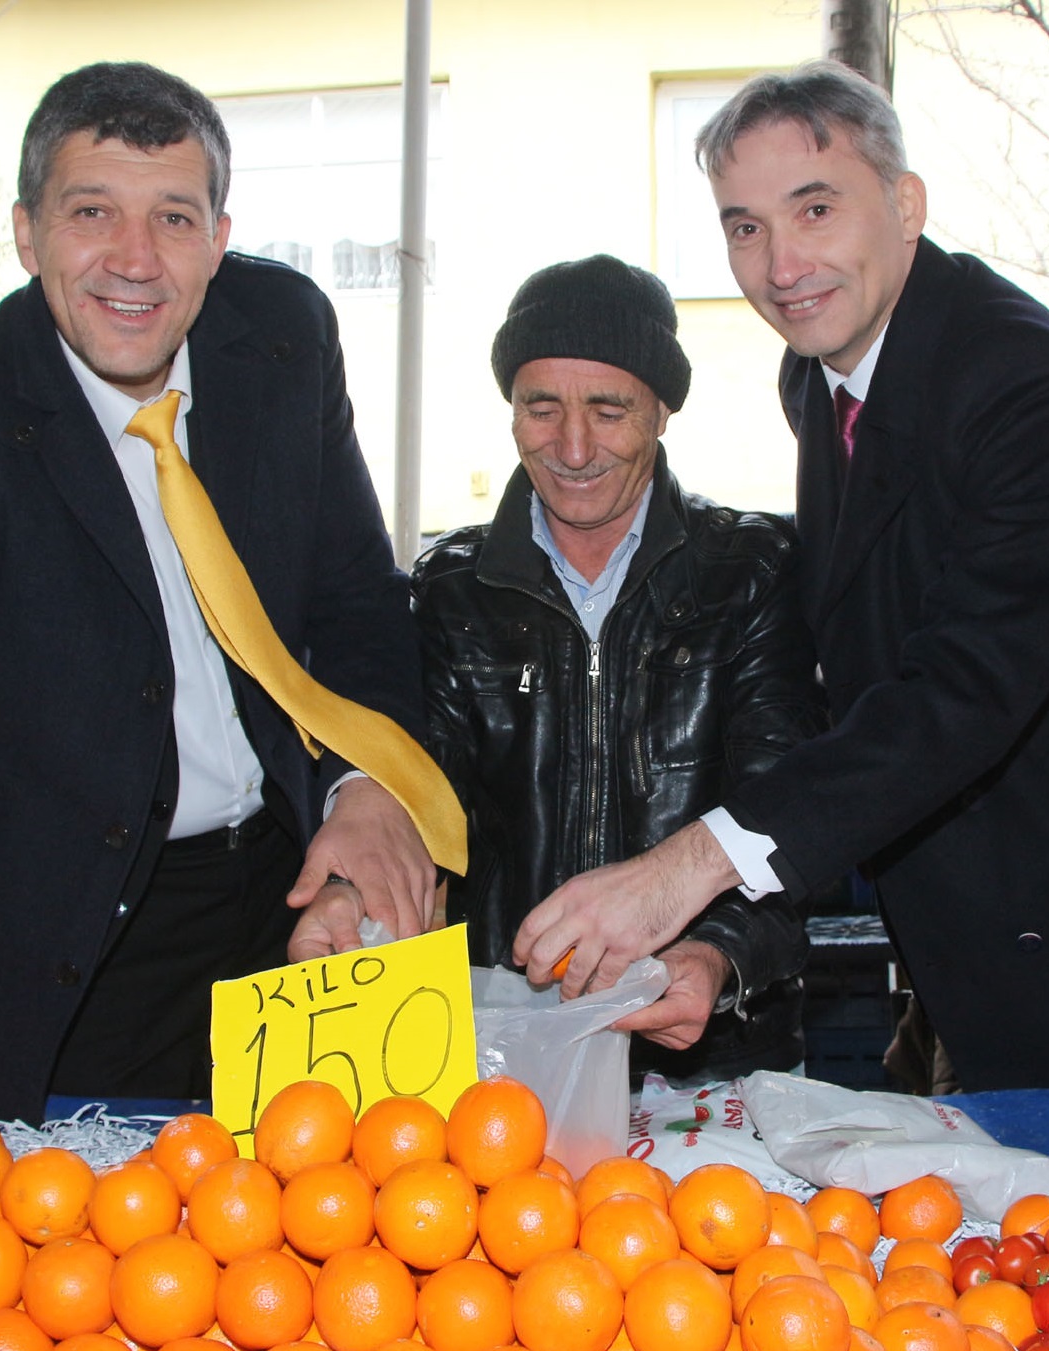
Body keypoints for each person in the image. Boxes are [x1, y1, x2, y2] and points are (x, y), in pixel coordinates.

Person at [511, 61, 1049, 1094]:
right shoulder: (822, 370)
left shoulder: (1030, 388)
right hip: (975, 933)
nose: (781, 262)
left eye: (816, 208)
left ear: (906, 204)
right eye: (744, 226)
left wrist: (688, 866)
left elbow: (962, 689)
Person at [0, 62, 457, 1154]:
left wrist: (371, 787)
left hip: (295, 898)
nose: (136, 261)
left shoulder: (283, 337)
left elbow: (353, 597)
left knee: (348, 1247)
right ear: (25, 232)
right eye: (91, 212)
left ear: (220, 234)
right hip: (73, 931)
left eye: (174, 218)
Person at [291, 256, 826, 1079]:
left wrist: (716, 957)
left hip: (711, 1061)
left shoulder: (752, 571)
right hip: (508, 1054)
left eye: (608, 409)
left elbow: (793, 813)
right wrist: (357, 899)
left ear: (660, 411)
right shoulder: (450, 588)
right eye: (542, 408)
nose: (573, 447)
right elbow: (417, 802)